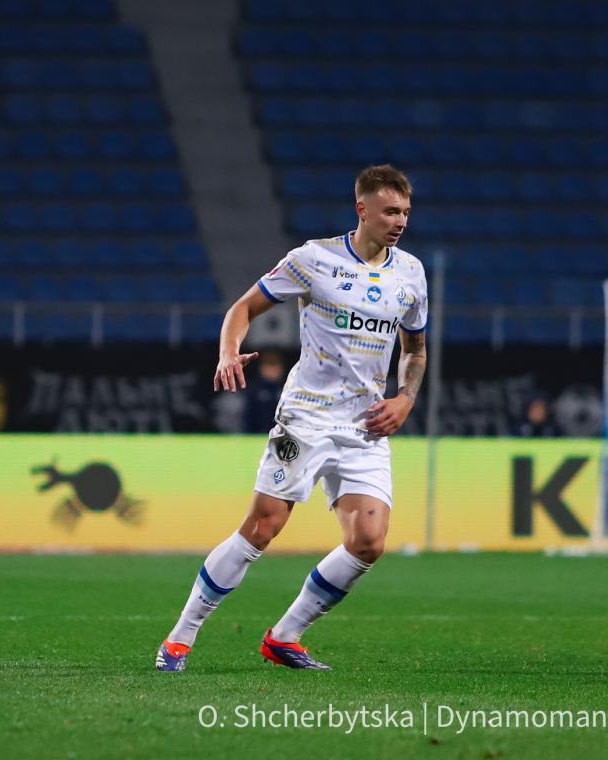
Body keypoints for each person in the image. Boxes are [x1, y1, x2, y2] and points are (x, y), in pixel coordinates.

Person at [155, 165, 427, 671]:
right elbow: (242, 309)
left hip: (365, 424)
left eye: (406, 212)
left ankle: (285, 636)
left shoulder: (410, 272)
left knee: (368, 542)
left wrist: (405, 398)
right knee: (263, 526)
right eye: (391, 211)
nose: (401, 222)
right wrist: (227, 352)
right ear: (362, 209)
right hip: (306, 417)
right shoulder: (314, 259)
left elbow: (415, 348)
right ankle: (180, 637)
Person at [243, 350, 287, 433]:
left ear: (281, 368)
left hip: (283, 433)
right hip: (257, 433)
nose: (271, 370)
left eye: (274, 365)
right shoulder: (254, 388)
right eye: (268, 365)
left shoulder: (288, 388)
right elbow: (248, 416)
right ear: (262, 368)